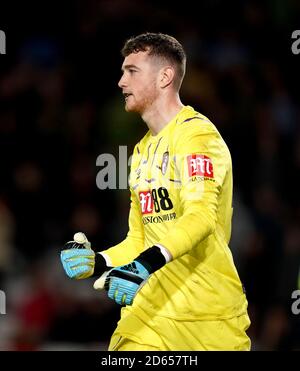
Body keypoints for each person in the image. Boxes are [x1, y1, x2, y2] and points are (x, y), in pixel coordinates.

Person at [60, 32, 251, 350]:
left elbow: (201, 216)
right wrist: (99, 261)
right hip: (149, 319)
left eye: (132, 71)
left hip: (208, 321)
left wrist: (145, 264)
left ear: (165, 76)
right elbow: (138, 240)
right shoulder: (140, 154)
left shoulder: (197, 136)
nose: (121, 82)